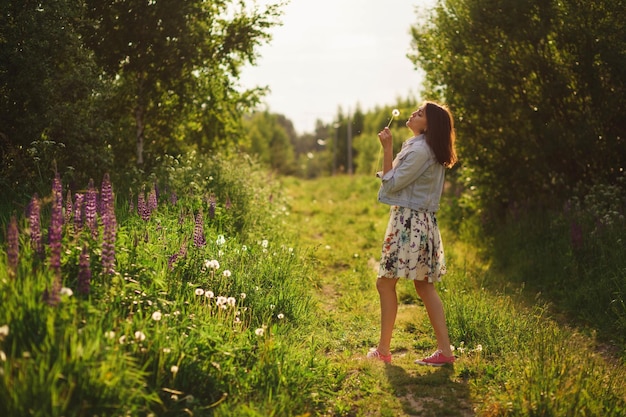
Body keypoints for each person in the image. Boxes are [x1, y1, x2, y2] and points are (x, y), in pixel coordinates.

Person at [367, 101, 458, 366]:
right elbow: (396, 176)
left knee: (386, 283)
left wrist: (386, 149)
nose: (413, 114)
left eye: (420, 114)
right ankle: (445, 352)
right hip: (421, 221)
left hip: (409, 223)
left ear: (429, 125)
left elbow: (393, 182)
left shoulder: (420, 149)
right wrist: (388, 162)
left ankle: (383, 351)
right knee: (423, 285)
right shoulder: (423, 147)